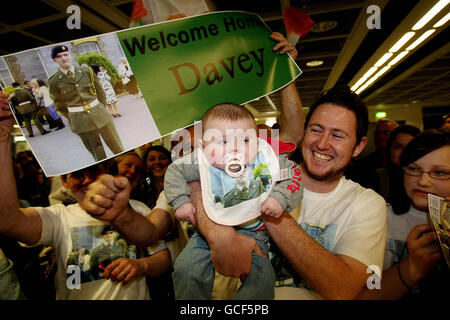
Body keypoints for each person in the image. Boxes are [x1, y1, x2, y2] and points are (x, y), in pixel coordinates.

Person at [0, 96, 174, 299]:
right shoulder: (59, 218)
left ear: (106, 170)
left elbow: (164, 259)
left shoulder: (136, 210)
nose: (87, 180)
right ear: (64, 182)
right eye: (76, 175)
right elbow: (8, 221)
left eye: (93, 171)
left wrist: (141, 265)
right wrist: (3, 137)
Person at [165, 103, 302, 299]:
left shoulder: (264, 157)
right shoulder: (201, 161)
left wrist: (280, 198)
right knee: (186, 268)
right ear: (204, 147)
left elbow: (294, 173)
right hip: (209, 230)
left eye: (246, 140)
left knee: (261, 279)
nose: (235, 148)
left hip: (254, 232)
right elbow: (175, 171)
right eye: (222, 142)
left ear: (258, 140)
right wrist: (181, 201)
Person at [357, 128, 450, 299]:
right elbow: (365, 292)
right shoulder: (378, 215)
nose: (423, 181)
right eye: (414, 169)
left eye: (440, 172)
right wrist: (413, 267)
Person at [48, 45, 124, 162]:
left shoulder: (86, 71)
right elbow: (60, 105)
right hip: (81, 121)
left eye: (65, 54)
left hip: (100, 114)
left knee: (118, 148)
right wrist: (73, 117)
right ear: (55, 60)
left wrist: (99, 109)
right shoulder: (54, 81)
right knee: (98, 155)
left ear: (70, 55)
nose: (63, 58)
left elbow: (100, 93)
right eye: (59, 56)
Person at [371, 124, 421, 201]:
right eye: (398, 147)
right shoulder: (377, 178)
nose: (404, 152)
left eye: (409, 147)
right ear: (389, 149)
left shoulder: (427, 178)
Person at [347, 118, 399, 188]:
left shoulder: (402, 165)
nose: (381, 136)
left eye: (386, 133)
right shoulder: (362, 164)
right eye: (377, 133)